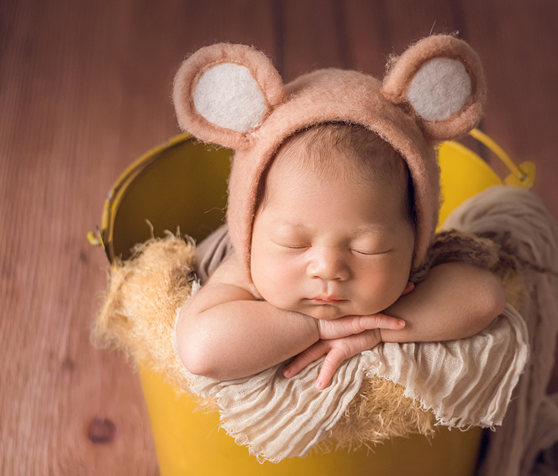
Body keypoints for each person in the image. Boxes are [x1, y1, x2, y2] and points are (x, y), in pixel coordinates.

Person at [176, 123, 507, 389]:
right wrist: (319, 326)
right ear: (249, 229)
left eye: (367, 248)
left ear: (415, 239)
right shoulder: (246, 266)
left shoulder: (407, 264)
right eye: (294, 243)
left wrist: (373, 330)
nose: (328, 269)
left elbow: (484, 297)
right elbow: (201, 351)